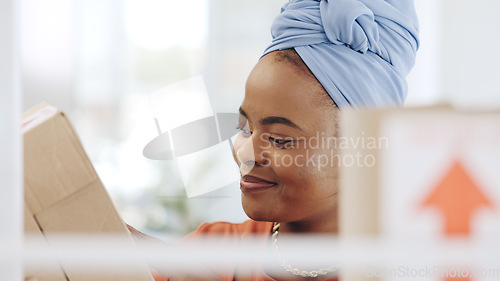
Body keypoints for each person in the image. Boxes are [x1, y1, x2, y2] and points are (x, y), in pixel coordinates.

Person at [133, 0, 419, 280]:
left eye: (280, 140)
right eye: (244, 128)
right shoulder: (208, 253)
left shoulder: (419, 266)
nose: (246, 153)